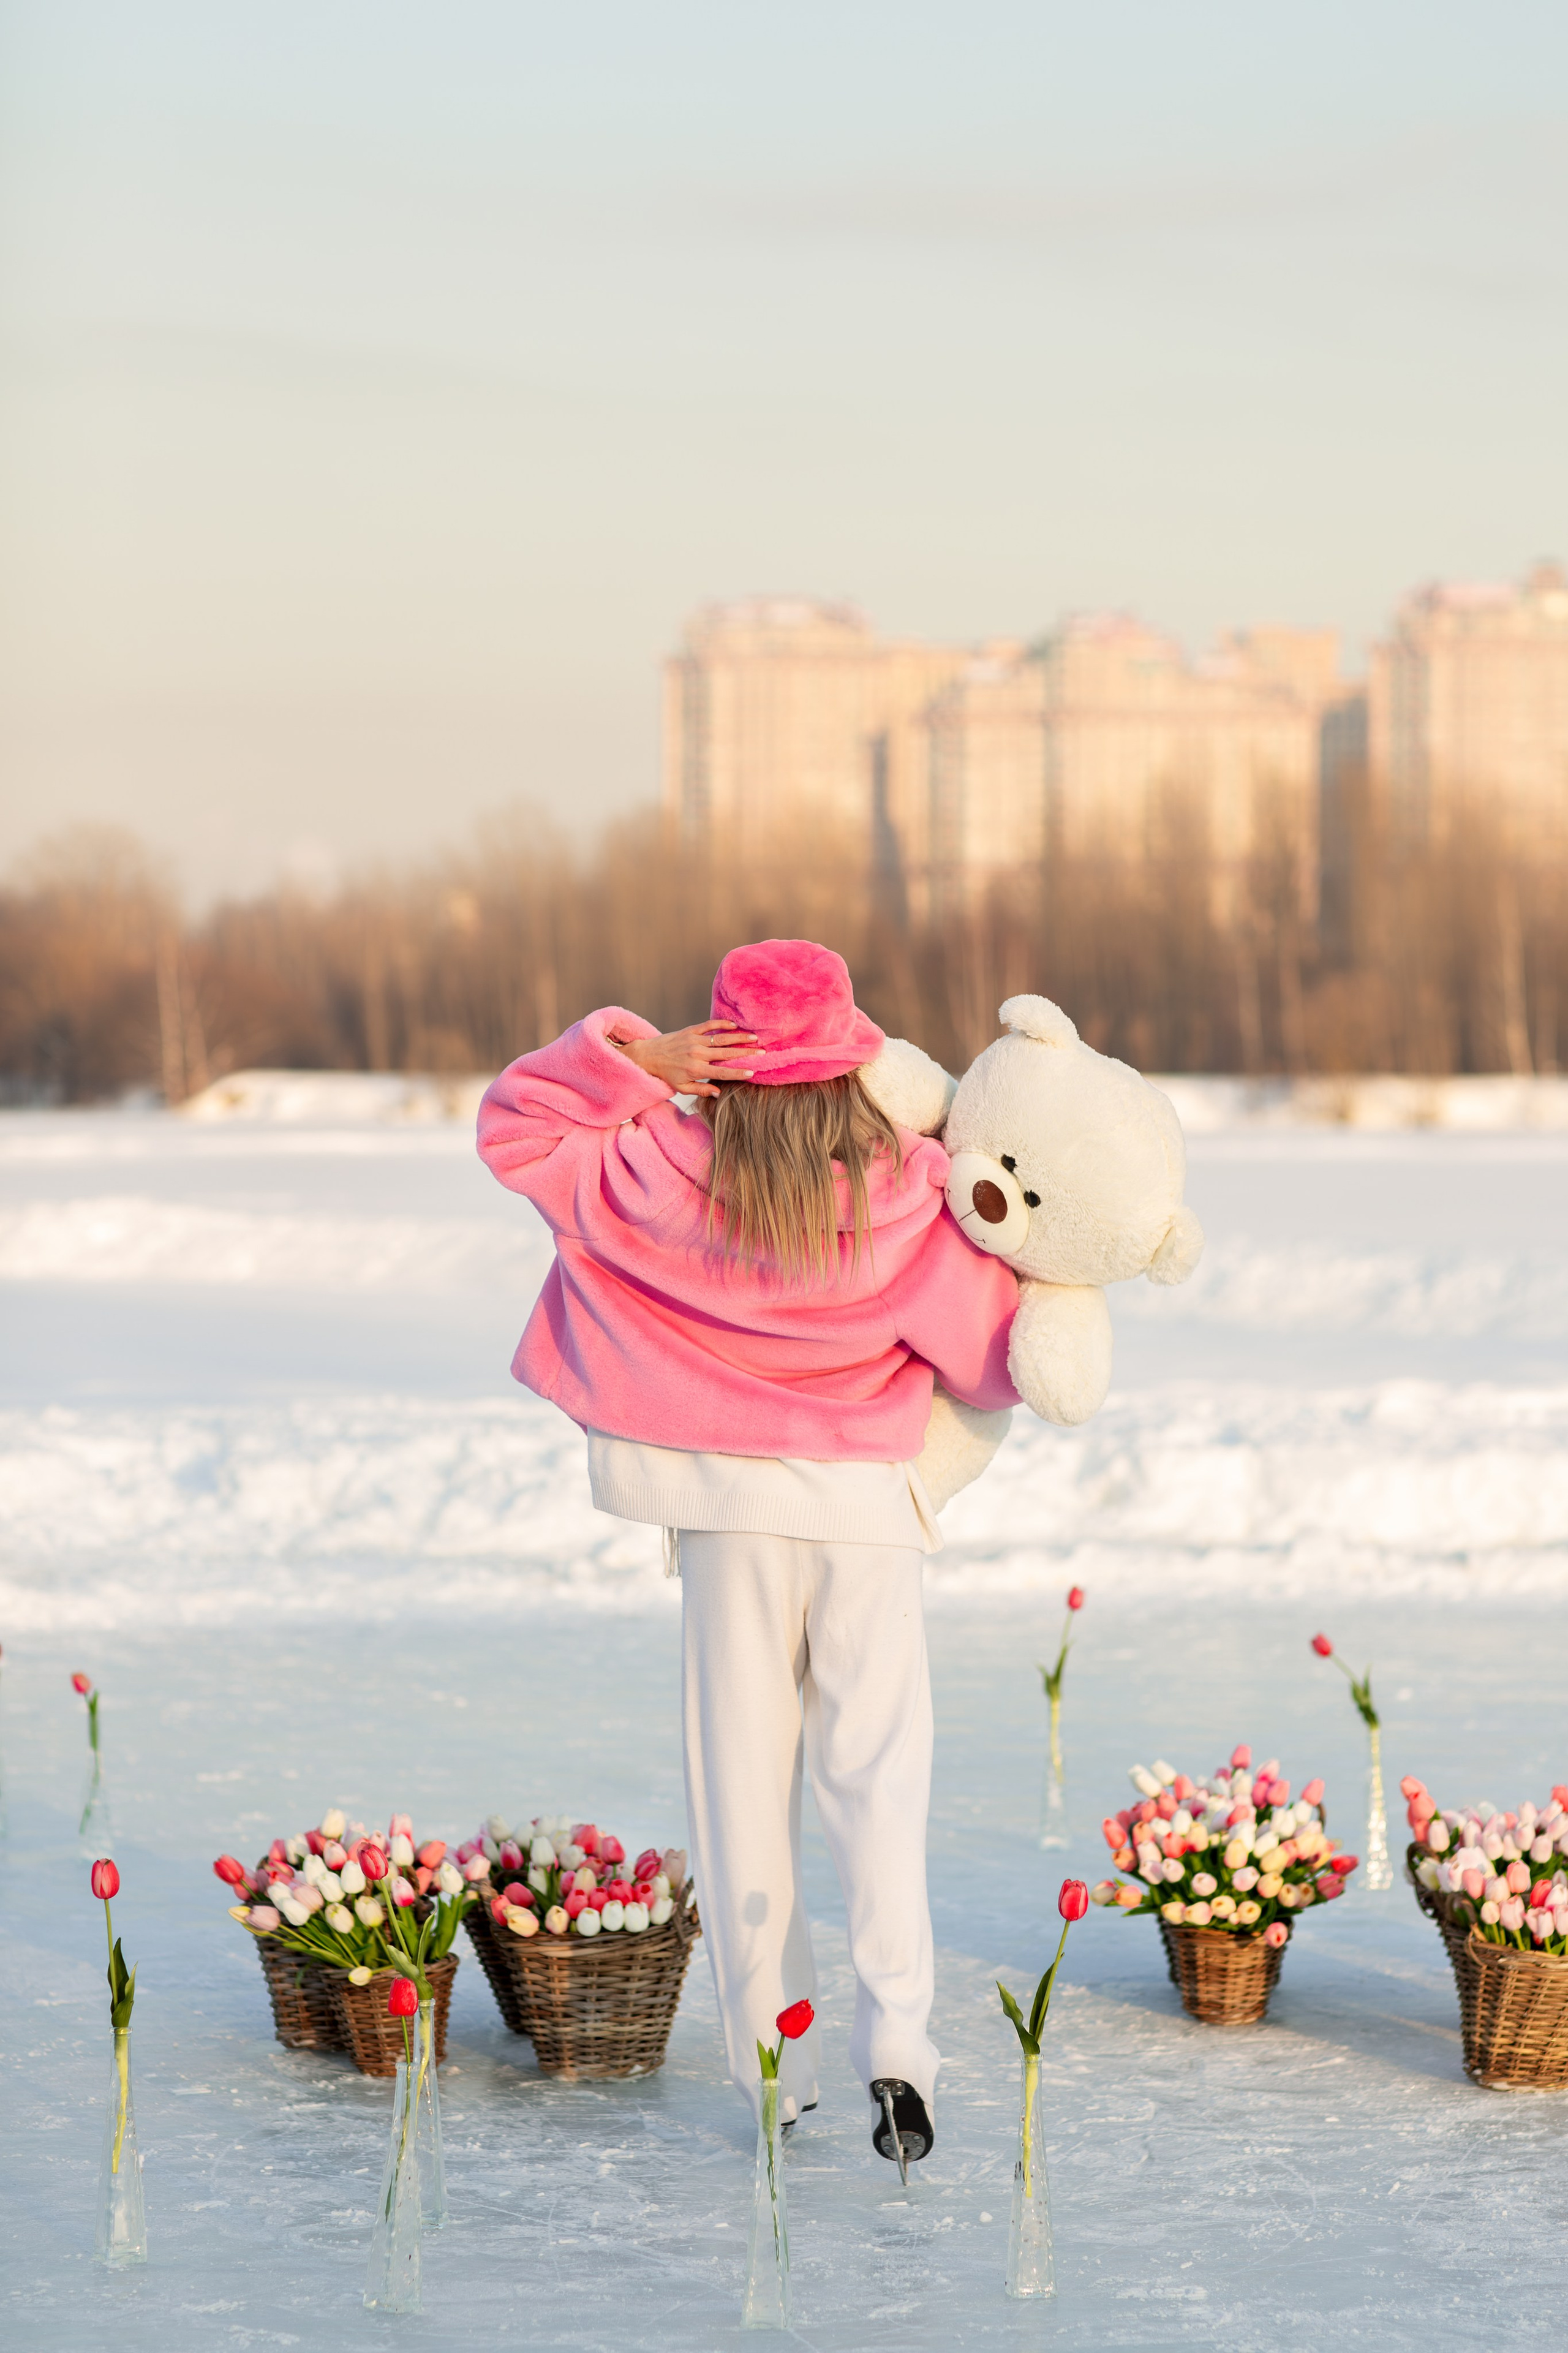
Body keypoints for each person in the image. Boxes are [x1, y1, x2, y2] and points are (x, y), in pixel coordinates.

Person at [477, 938, 1020, 2167]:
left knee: (740, 1793)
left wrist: (634, 1060)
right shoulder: (903, 1188)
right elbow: (988, 1360)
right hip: (865, 1516)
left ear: (723, 1056)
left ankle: (776, 2072)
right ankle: (899, 2051)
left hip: (723, 1516)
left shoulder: (648, 1166)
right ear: (850, 1054)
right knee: (877, 1783)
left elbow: (515, 1125)